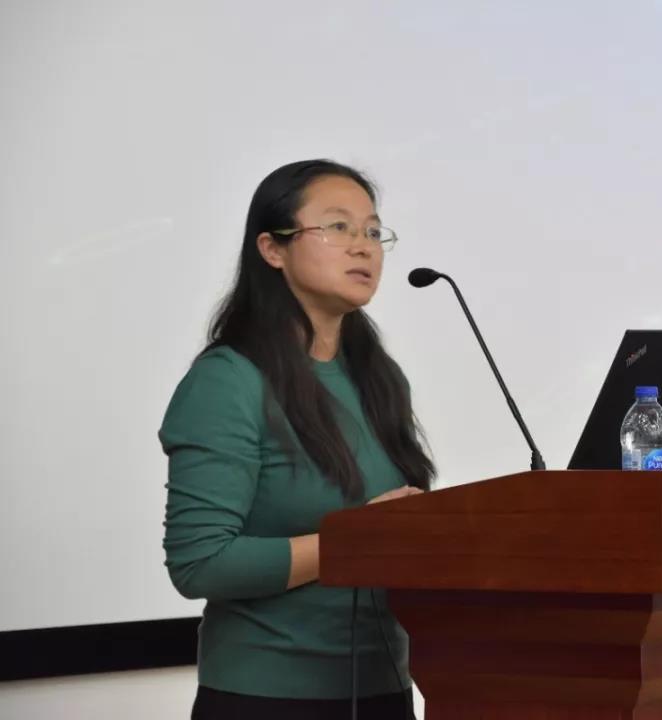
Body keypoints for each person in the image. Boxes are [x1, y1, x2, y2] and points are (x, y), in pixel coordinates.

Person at [158, 159, 433, 719]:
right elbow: (200, 562)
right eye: (337, 227)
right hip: (267, 697)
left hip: (382, 687)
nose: (362, 247)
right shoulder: (229, 381)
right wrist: (356, 540)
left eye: (372, 232)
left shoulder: (379, 378)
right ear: (272, 249)